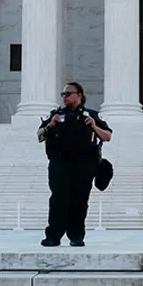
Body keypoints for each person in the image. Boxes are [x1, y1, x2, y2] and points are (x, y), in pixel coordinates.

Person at [35, 82, 112, 247]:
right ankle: (53, 236)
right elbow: (40, 135)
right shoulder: (56, 114)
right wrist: (51, 125)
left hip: (84, 164)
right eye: (63, 94)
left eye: (68, 94)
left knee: (79, 200)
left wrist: (93, 125)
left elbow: (107, 136)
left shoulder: (90, 115)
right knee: (58, 199)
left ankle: (76, 236)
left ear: (80, 95)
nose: (65, 97)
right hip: (60, 163)